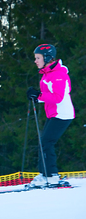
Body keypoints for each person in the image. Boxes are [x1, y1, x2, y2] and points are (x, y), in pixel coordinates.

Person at [26, 44, 74, 187]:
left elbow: (58, 97)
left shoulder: (58, 74)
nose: (35, 61)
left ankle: (51, 175)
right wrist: (37, 97)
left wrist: (39, 95)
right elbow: (50, 95)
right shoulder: (48, 73)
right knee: (44, 142)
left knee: (46, 142)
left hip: (62, 113)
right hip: (55, 113)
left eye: (38, 58)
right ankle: (44, 174)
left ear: (46, 58)